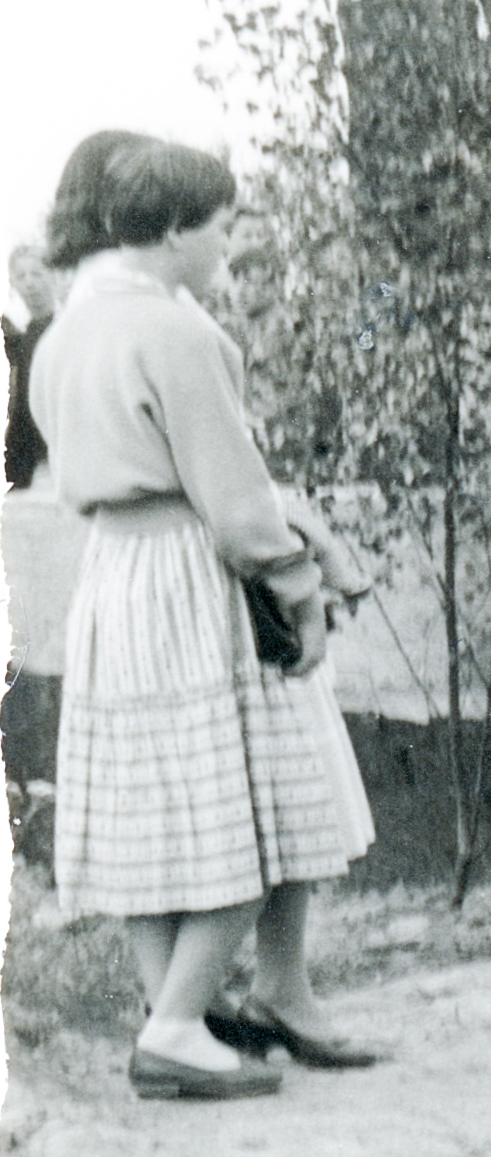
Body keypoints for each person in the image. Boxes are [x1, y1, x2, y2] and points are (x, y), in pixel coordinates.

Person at [30, 134, 361, 1100]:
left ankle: (183, 1006)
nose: (228, 245)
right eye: (221, 226)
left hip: (115, 576)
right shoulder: (179, 335)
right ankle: (177, 1028)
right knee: (246, 801)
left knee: (156, 803)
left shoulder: (63, 334)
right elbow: (236, 497)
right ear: (175, 229)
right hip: (191, 571)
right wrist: (298, 583)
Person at [7, 242, 56, 490]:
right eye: (21, 276)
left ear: (53, 275)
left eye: (37, 274)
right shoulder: (20, 339)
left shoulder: (63, 328)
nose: (29, 283)